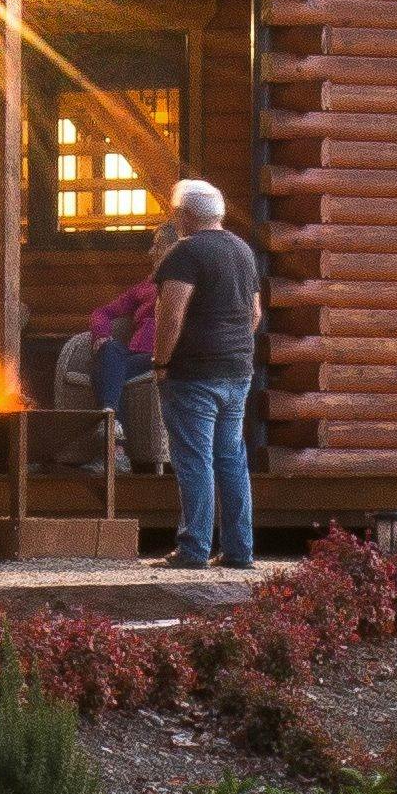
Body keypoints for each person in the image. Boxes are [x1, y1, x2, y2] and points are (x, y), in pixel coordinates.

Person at [139, 175, 265, 570]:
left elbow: (170, 315)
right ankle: (239, 550)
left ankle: (193, 548)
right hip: (237, 371)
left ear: (185, 214)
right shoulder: (242, 251)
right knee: (230, 458)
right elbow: (255, 314)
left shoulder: (184, 253)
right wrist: (233, 347)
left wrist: (160, 363)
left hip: (193, 373)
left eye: (176, 211)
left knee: (194, 458)